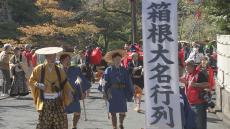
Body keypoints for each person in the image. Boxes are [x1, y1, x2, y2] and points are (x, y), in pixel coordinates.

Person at [29, 47, 74, 129]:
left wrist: (69, 93)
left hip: (57, 100)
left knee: (59, 124)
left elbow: (65, 83)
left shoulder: (59, 70)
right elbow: (31, 81)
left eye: (54, 56)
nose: (52, 59)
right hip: (45, 100)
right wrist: (37, 84)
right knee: (44, 124)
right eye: (50, 57)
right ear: (46, 57)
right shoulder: (38, 69)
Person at [103, 49, 134, 129]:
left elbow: (128, 82)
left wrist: (131, 92)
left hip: (122, 92)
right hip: (112, 92)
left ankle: (121, 123)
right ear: (113, 60)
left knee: (122, 111)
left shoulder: (124, 70)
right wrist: (104, 92)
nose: (118, 61)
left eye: (119, 59)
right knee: (113, 112)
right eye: (116, 59)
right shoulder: (108, 70)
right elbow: (104, 82)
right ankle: (114, 127)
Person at [60, 54, 91, 129]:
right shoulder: (58, 70)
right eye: (66, 60)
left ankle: (74, 126)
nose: (68, 62)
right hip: (63, 95)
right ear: (61, 61)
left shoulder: (75, 69)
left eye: (69, 60)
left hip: (74, 94)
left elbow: (82, 80)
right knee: (64, 113)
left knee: (77, 112)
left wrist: (84, 92)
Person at [180, 60, 209, 129]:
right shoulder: (188, 74)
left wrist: (195, 84)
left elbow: (207, 84)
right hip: (189, 103)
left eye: (188, 67)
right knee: (191, 123)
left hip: (198, 104)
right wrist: (185, 82)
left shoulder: (199, 74)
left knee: (199, 124)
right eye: (186, 67)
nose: (186, 68)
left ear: (193, 67)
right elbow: (189, 84)